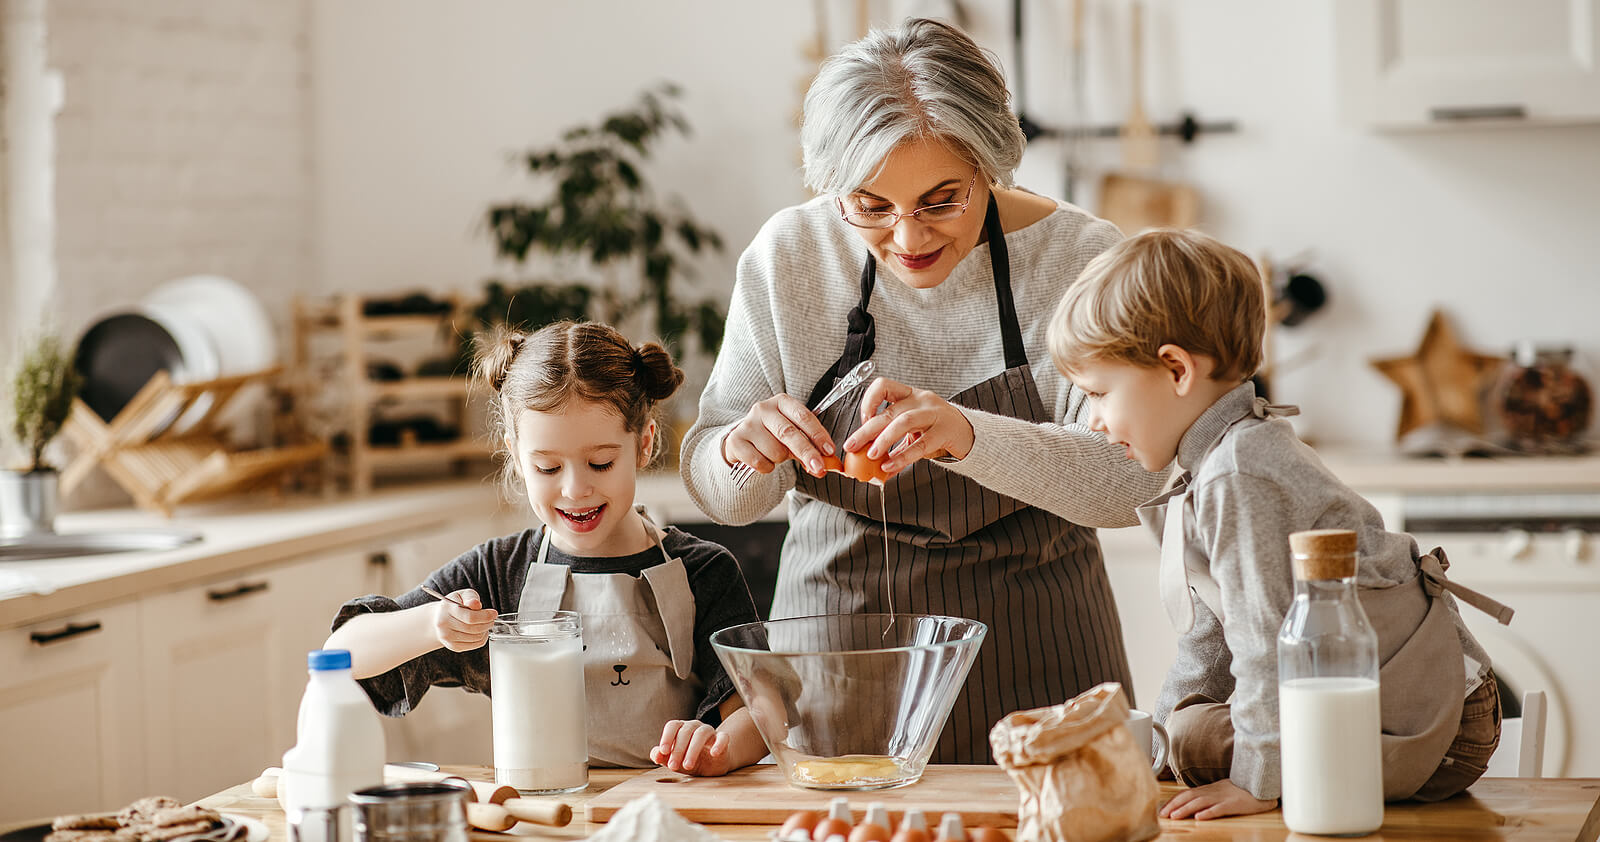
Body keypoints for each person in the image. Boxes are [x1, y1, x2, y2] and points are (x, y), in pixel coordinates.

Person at [679, 17, 1169, 765]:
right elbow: (725, 491)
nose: (908, 239)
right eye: (870, 206)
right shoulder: (792, 255)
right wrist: (744, 453)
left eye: (942, 200)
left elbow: (1133, 483)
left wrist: (968, 436)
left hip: (1042, 647)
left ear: (991, 164)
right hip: (835, 655)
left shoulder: (1081, 258)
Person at [1047, 228, 1514, 819]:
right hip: (1424, 707)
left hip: (1434, 728)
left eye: (1098, 393)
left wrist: (1256, 783)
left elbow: (1263, 642)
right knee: (1182, 732)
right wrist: (1148, 751)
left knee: (1193, 738)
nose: (1092, 420)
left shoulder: (1237, 476)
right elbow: (1209, 638)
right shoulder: (1223, 457)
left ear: (1175, 370)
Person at [325, 321, 766, 776]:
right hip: (544, 814)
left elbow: (758, 712)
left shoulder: (705, 571)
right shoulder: (498, 572)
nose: (576, 489)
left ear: (645, 444)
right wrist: (431, 623)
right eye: (548, 466)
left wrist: (720, 746)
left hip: (668, 811)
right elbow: (342, 654)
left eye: (601, 462)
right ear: (517, 457)